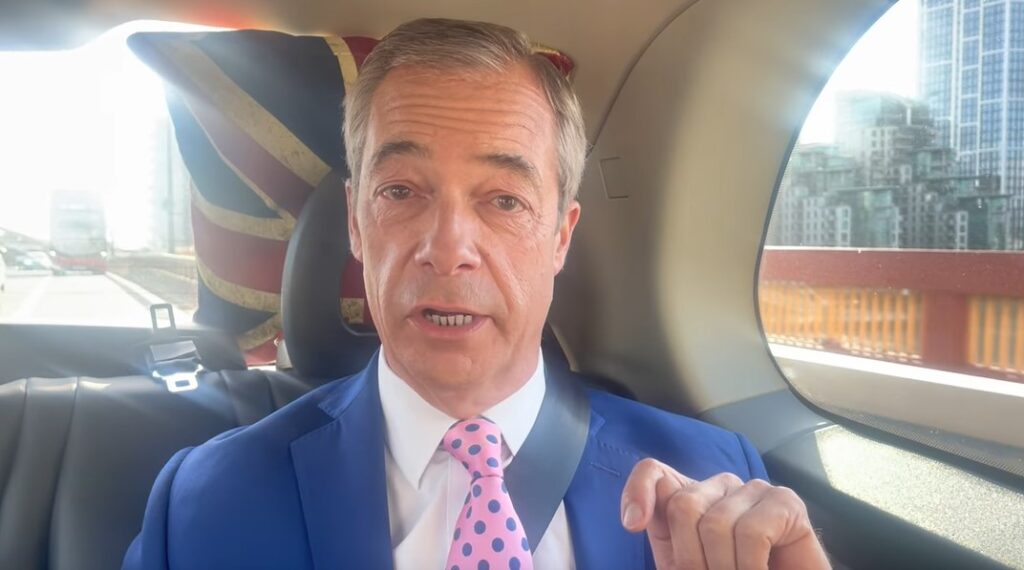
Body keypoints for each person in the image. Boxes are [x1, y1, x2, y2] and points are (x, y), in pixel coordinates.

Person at [123, 18, 831, 570]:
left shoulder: (713, 489)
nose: (449, 248)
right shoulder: (206, 501)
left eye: (505, 200)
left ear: (560, 237)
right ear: (356, 225)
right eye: (401, 191)